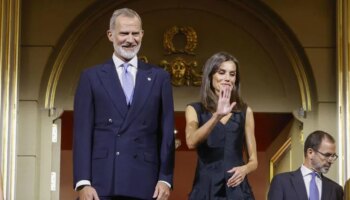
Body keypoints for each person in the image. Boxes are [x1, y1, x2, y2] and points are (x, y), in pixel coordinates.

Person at [73, 8, 175, 200]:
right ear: (110, 35)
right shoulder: (91, 77)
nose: (130, 39)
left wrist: (165, 178)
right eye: (124, 33)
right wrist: (83, 182)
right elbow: (82, 133)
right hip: (102, 181)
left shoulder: (159, 77)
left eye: (135, 33)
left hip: (147, 181)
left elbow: (166, 132)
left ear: (142, 35)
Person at [185, 52, 258, 199]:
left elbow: (254, 160)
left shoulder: (245, 111)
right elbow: (191, 142)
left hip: (236, 187)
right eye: (221, 72)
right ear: (211, 76)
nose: (227, 78)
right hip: (206, 187)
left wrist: (245, 169)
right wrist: (217, 116)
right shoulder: (194, 109)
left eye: (232, 74)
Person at [268, 130, 343, 200]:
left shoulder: (336, 189)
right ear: (310, 153)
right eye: (327, 155)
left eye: (333, 156)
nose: (331, 161)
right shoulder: (281, 182)